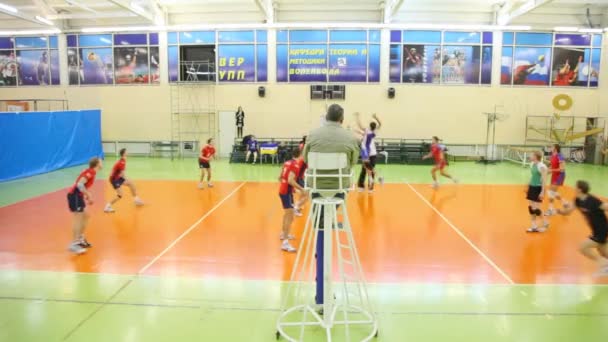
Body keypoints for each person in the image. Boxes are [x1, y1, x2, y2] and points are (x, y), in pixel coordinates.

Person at [303, 104, 360, 306]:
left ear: (325, 117)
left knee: (319, 225)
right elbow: (353, 162)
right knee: (326, 222)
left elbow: (305, 159)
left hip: (316, 189)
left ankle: (321, 293)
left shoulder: (313, 134)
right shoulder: (350, 137)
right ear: (342, 119)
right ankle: (325, 224)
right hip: (338, 191)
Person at [557, 180, 608, 276]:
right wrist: (557, 211)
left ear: (580, 189)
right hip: (595, 230)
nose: (574, 188)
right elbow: (568, 212)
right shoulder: (577, 200)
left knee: (582, 247)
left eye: (575, 187)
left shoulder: (593, 200)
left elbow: (606, 206)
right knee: (604, 252)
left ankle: (604, 265)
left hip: (602, 229)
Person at [67, 157, 102, 254]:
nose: (102, 163)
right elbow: (79, 184)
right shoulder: (90, 172)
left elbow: (82, 185)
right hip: (74, 196)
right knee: (78, 219)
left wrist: (86, 195)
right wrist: (88, 195)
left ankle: (80, 239)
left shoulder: (91, 172)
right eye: (101, 161)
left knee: (86, 216)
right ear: (97, 164)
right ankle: (74, 244)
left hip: (78, 196)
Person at [278, 149, 306, 252]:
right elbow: (290, 180)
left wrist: (290, 188)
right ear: (300, 155)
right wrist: (301, 189)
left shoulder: (287, 162)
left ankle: (284, 234)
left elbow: (280, 177)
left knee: (288, 215)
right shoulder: (295, 165)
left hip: (284, 191)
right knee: (289, 216)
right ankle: (285, 243)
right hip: (286, 192)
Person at [104, 148, 144, 213]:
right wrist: (127, 179)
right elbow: (123, 175)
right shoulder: (122, 162)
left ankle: (136, 200)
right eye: (126, 152)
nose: (128, 152)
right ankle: (107, 206)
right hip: (114, 180)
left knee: (131, 183)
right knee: (120, 195)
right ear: (124, 153)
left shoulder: (123, 160)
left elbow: (120, 173)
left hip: (118, 177)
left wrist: (128, 180)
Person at [355, 112, 382, 193]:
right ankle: (364, 186)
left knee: (367, 169)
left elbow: (360, 126)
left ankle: (370, 186)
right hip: (369, 152)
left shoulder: (368, 131)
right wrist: (375, 117)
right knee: (367, 169)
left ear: (370, 127)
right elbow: (380, 124)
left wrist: (357, 117)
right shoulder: (372, 132)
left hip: (370, 153)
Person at [526, 151, 549, 233]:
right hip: (532, 187)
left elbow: (544, 180)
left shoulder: (542, 166)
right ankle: (534, 226)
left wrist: (542, 191)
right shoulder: (532, 164)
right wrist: (528, 185)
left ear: (536, 156)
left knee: (536, 209)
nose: (530, 156)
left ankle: (545, 222)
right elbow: (533, 176)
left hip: (538, 188)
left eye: (531, 155)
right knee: (531, 208)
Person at [545, 144, 566, 216]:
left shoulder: (560, 156)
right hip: (554, 175)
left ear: (556, 148)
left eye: (552, 146)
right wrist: (546, 172)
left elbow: (562, 169)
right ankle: (564, 203)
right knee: (553, 192)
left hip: (560, 176)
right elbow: (552, 166)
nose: (550, 147)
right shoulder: (552, 156)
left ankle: (551, 209)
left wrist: (550, 170)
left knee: (551, 192)